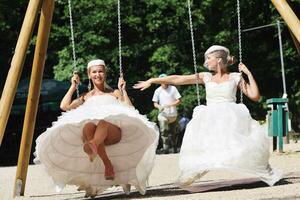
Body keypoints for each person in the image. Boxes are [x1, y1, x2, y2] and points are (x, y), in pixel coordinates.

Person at [134, 45, 281, 186]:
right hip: (211, 114)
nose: (206, 62)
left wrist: (248, 73)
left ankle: (261, 169)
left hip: (231, 115)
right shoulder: (205, 77)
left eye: (209, 58)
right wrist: (153, 80)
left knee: (240, 144)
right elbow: (178, 79)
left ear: (218, 59)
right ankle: (195, 171)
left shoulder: (236, 77)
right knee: (202, 141)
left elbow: (255, 96)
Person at [34, 59, 159, 198]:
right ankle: (106, 162)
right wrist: (73, 87)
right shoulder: (85, 97)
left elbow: (129, 108)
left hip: (113, 132)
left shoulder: (114, 93)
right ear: (89, 75)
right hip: (95, 134)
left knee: (102, 123)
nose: (97, 75)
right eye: (94, 72)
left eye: (100, 71)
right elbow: (64, 106)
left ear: (105, 74)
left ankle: (92, 146)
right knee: (88, 125)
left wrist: (123, 90)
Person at [152, 73, 181, 154]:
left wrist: (170, 105)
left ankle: (175, 147)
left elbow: (179, 100)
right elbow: (155, 103)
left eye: (165, 80)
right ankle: (166, 148)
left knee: (173, 132)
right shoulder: (157, 90)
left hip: (173, 115)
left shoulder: (173, 89)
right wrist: (159, 107)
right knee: (164, 130)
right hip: (163, 115)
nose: (164, 82)